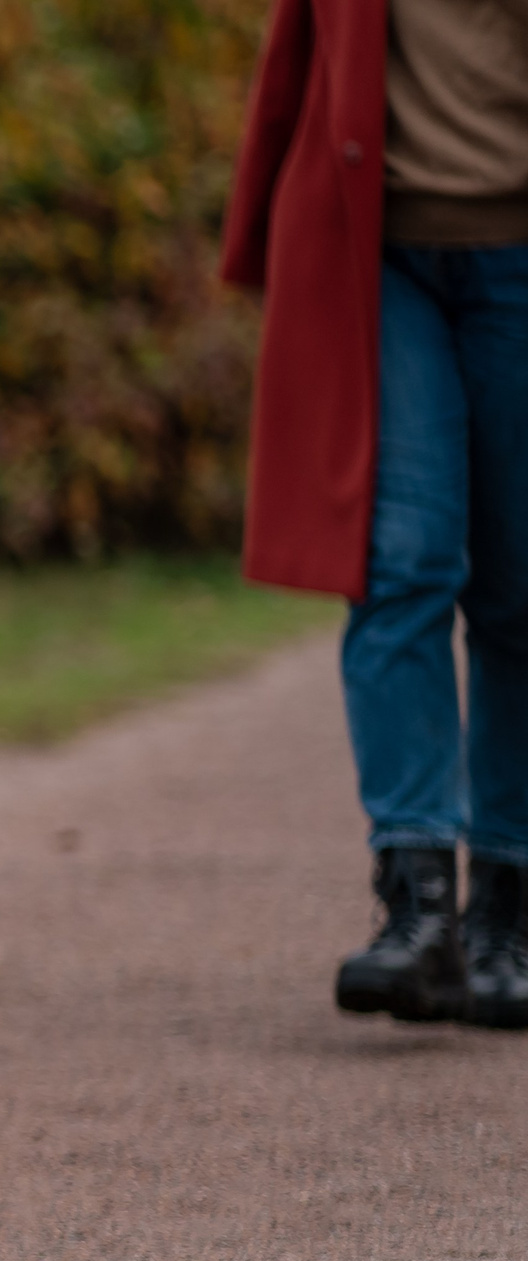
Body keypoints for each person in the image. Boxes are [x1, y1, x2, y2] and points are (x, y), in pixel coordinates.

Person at [223, 0, 528, 1029]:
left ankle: (508, 911)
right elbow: (297, 60)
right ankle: (418, 906)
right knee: (401, 559)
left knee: (519, 593)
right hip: (379, 254)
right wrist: (261, 225)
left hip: (519, 255)